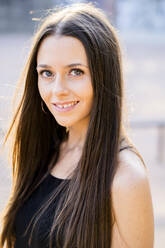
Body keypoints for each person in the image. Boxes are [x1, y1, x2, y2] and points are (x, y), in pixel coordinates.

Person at [0, 3, 154, 248]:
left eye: (75, 72)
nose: (57, 90)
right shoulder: (43, 150)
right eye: (47, 73)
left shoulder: (125, 178)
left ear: (104, 75)